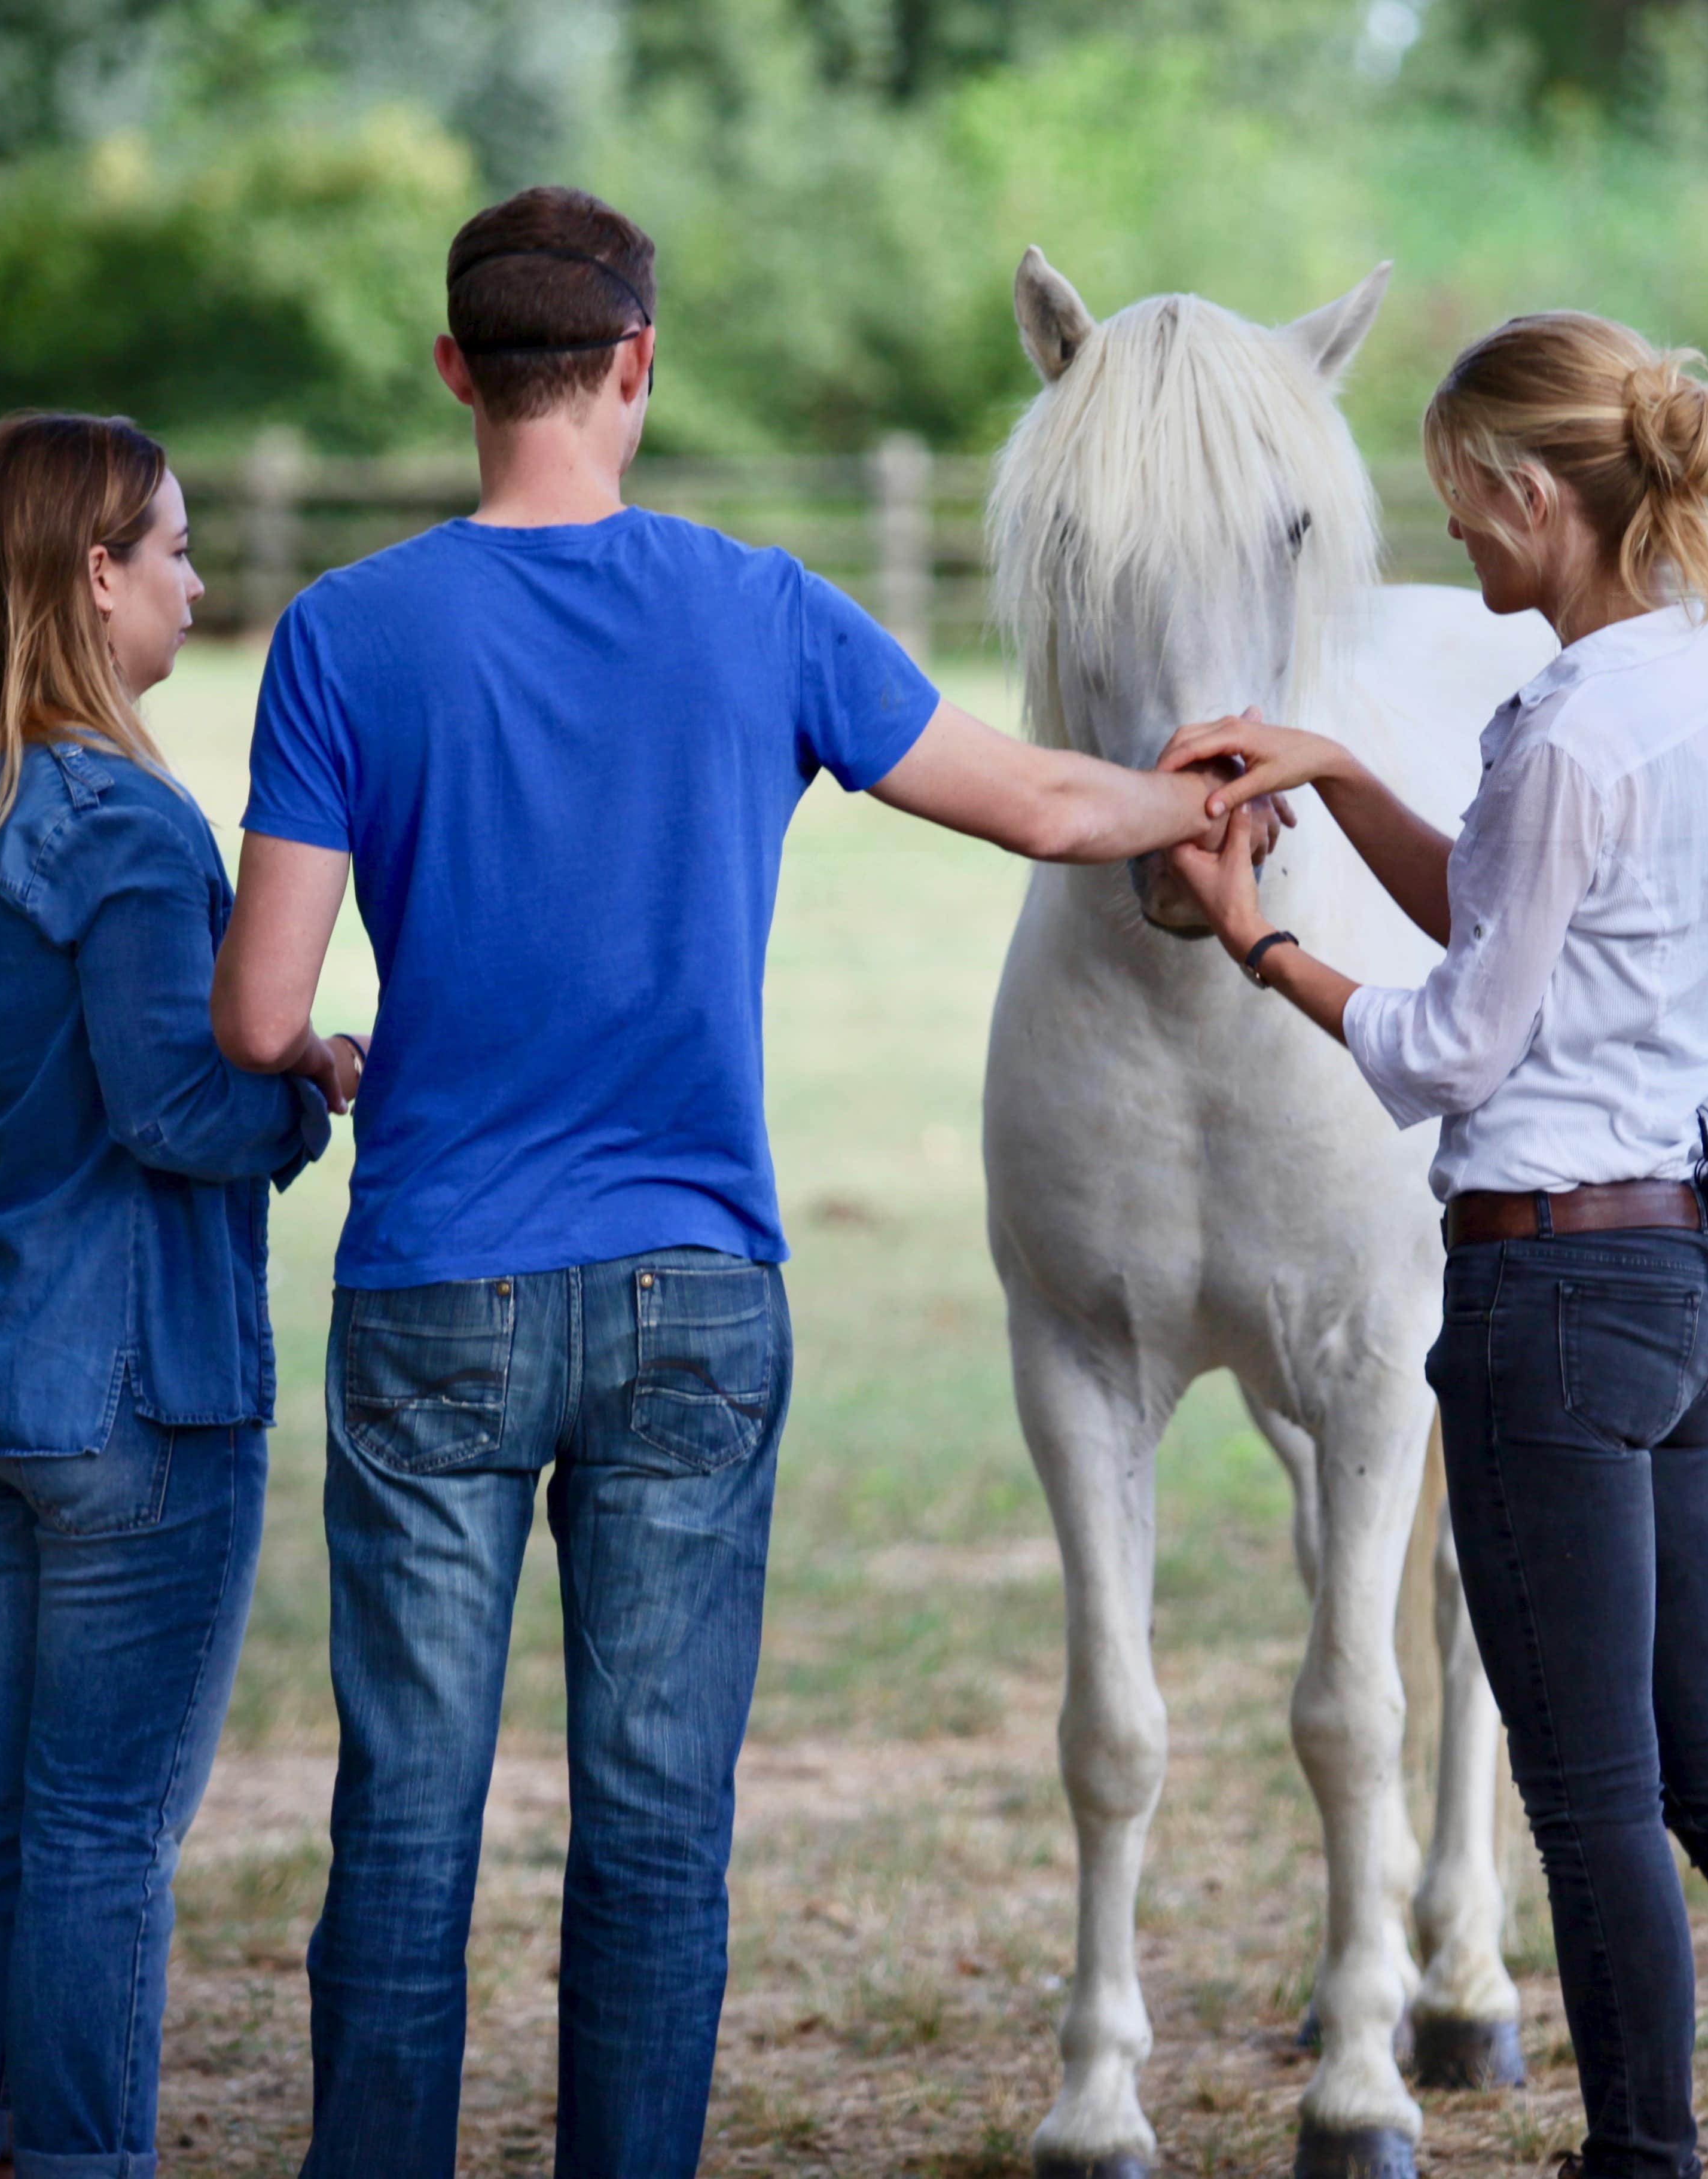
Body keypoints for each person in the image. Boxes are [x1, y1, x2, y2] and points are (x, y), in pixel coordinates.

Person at [208, 185, 1253, 2179]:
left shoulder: (345, 635)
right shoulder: (755, 605)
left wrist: (330, 1050)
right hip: (695, 1291)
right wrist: (1207, 791)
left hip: (433, 1287)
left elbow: (262, 1009)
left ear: (453, 374)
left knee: (406, 1823)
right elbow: (1041, 803)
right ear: (636, 368)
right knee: (659, 1823)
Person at [1152, 313, 1708, 2179]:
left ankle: (1643, 2160)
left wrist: (1254, 937)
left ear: (1535, 493)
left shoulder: (1561, 729)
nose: (1451, 545)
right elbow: (1528, 911)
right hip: (1686, 1272)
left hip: (1549, 1303)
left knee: (1589, 1801)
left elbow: (1453, 1040)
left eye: (1461, 508)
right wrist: (1344, 775)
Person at [0, 411, 369, 2179]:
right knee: (98, 1827)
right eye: (171, 548)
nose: (196, 580)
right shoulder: (132, 831)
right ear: (92, 576)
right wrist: (308, 1080)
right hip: (133, 1400)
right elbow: (177, 1108)